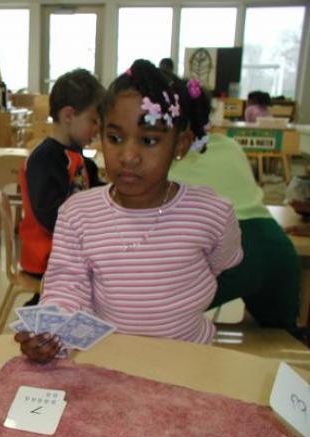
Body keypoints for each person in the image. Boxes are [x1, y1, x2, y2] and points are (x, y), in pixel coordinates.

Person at [16, 59, 243, 362]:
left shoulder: (212, 213)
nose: (128, 156)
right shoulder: (78, 213)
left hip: (188, 363)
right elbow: (67, 287)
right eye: (115, 138)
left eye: (149, 140)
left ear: (181, 144)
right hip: (107, 361)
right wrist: (52, 334)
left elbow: (219, 265)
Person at [169, 131, 302, 340]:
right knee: (281, 338)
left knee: (154, 321)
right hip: (274, 246)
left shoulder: (165, 152)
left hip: (223, 245)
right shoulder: (230, 145)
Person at [18, 68, 105, 305]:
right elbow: (50, 217)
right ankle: (41, 312)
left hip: (67, 249)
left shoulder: (80, 159)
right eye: (93, 121)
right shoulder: (44, 159)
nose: (98, 129)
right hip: (47, 255)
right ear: (68, 115)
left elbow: (99, 195)